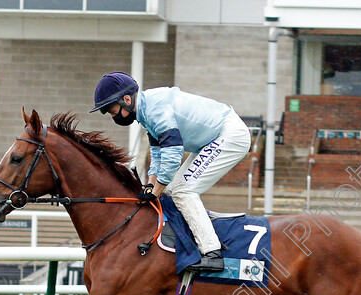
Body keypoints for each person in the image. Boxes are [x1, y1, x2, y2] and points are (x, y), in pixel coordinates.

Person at [90, 72, 251, 272]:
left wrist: (156, 191)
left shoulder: (155, 109)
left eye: (112, 111)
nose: (113, 117)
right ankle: (196, 237)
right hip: (212, 138)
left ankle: (212, 253)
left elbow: (173, 154)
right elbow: (157, 153)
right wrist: (150, 184)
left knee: (183, 191)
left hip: (229, 134)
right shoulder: (146, 110)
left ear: (127, 99)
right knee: (174, 189)